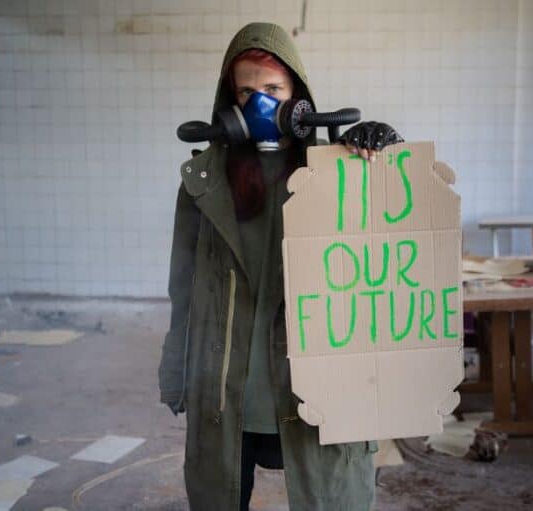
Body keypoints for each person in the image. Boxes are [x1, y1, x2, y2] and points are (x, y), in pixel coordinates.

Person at [158, 22, 402, 510]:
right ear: (228, 104)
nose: (259, 105)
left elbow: (384, 252)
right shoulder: (205, 184)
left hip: (314, 384)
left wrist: (382, 156)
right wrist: (174, 371)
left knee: (327, 493)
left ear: (299, 100)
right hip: (231, 390)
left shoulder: (336, 172)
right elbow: (182, 286)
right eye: (246, 92)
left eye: (273, 90)